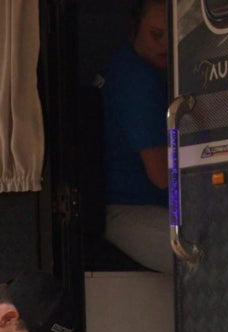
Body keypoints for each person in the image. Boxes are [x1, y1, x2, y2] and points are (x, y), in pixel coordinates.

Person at [100, 0, 170, 271]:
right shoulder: (139, 82)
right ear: (133, 31)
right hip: (129, 207)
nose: (164, 45)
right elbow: (162, 175)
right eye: (156, 35)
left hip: (133, 205)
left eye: (170, 34)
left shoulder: (121, 65)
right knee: (205, 254)